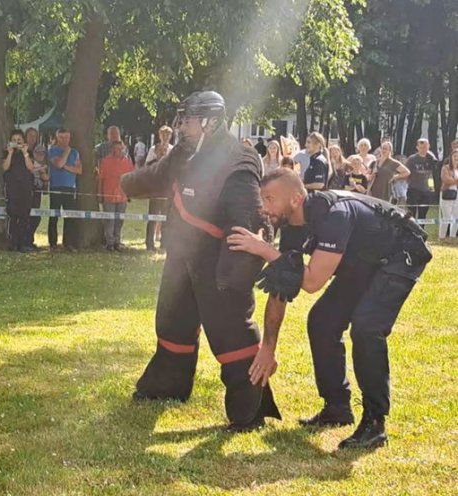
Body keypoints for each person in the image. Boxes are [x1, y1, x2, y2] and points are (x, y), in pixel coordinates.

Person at [227, 168, 432, 449]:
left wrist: (264, 250)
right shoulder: (290, 229)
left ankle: (375, 424)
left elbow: (311, 281)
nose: (264, 207)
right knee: (322, 321)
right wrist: (268, 347)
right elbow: (281, 285)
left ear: (296, 199)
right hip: (364, 259)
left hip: (400, 254)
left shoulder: (335, 215)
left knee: (367, 327)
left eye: (270, 198)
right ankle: (337, 408)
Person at [120, 90, 280, 431]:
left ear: (210, 120)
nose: (182, 126)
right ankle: (167, 386)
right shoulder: (185, 153)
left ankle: (249, 410)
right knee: (172, 323)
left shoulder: (240, 159)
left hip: (219, 264)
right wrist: (125, 184)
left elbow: (249, 219)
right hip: (181, 258)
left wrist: (234, 277)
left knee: (231, 333)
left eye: (189, 119)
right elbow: (159, 175)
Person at [47, 128, 82, 250]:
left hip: (70, 187)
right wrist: (66, 152)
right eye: (61, 137)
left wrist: (65, 166)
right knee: (54, 216)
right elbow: (58, 164)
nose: (64, 140)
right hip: (55, 186)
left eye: (67, 137)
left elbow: (79, 170)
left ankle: (68, 243)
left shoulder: (75, 152)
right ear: (57, 137)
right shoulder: (52, 150)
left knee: (70, 216)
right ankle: (53, 243)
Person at [2, 129, 35, 252]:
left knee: (24, 216)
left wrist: (25, 153)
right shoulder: (6, 153)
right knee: (13, 215)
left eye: (19, 140)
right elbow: (4, 167)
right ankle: (12, 242)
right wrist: (10, 153)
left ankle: (23, 243)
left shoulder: (28, 152)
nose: (16, 142)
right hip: (12, 188)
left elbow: (31, 168)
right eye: (14, 140)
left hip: (25, 188)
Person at [98, 141, 133, 251]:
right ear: (112, 150)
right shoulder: (105, 161)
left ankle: (117, 242)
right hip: (108, 195)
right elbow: (100, 179)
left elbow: (131, 179)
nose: (118, 151)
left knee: (119, 220)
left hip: (122, 196)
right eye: (115, 149)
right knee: (109, 220)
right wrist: (99, 193)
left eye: (120, 149)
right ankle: (109, 243)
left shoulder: (128, 162)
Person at [143, 126, 173, 252]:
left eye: (168, 135)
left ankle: (164, 243)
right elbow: (147, 166)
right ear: (159, 135)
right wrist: (157, 157)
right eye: (163, 134)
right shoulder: (153, 149)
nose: (165, 137)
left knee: (166, 217)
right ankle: (149, 243)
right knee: (153, 216)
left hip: (167, 188)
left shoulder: (172, 149)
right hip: (155, 187)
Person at [404, 138, 437, 220]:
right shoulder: (412, 159)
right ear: (417, 147)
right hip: (413, 190)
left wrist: (431, 188)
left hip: (426, 191)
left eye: (425, 147)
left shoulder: (431, 159)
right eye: (421, 147)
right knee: (411, 214)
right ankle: (410, 232)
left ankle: (420, 231)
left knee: (423, 215)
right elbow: (406, 173)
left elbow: (430, 175)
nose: (423, 149)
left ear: (429, 147)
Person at [29, 144, 50, 248]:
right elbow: (31, 170)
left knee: (36, 217)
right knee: (30, 217)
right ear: (34, 153)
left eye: (42, 153)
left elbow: (46, 179)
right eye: (38, 153)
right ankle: (27, 240)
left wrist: (43, 174)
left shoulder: (44, 166)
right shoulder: (31, 162)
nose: (40, 155)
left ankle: (30, 239)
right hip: (29, 193)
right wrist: (41, 170)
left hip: (38, 193)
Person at [440, 149, 458, 242]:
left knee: (456, 217)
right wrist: (455, 181)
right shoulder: (445, 168)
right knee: (446, 217)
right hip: (447, 194)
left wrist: (453, 180)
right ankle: (442, 237)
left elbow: (452, 181)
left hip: (457, 195)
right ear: (451, 157)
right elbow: (446, 180)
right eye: (454, 156)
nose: (456, 158)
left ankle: (452, 237)